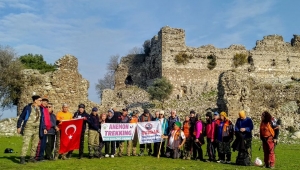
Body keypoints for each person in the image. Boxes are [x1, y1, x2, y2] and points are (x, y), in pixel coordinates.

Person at [17, 95, 43, 164]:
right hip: (28, 128)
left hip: (37, 128)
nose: (41, 102)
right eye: (40, 100)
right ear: (35, 101)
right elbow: (21, 117)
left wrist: (43, 128)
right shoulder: (28, 108)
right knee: (26, 143)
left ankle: (32, 158)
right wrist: (19, 126)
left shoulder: (41, 109)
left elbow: (42, 119)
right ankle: (22, 158)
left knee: (35, 144)